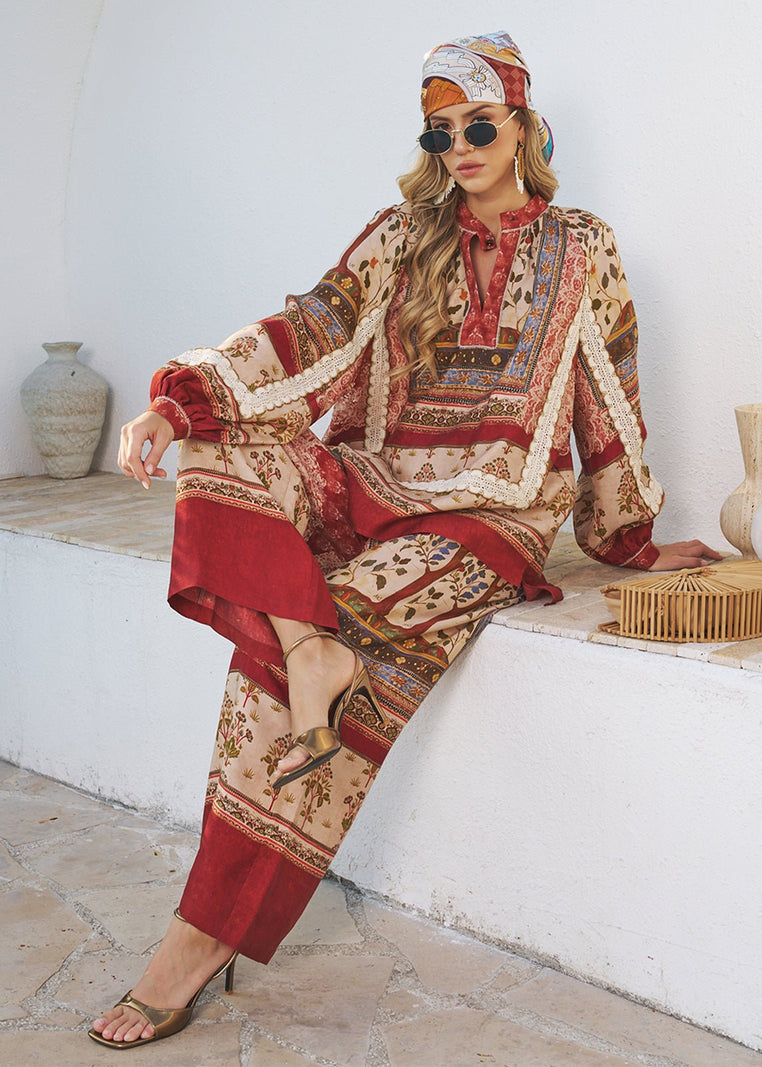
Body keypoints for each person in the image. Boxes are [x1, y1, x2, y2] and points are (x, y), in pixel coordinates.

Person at [91, 30, 720, 1049]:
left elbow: (609, 394)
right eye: (441, 129)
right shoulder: (398, 234)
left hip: (486, 516)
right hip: (369, 480)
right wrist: (176, 404)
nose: (459, 144)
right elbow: (308, 328)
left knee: (339, 621)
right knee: (213, 456)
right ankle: (309, 651)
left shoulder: (582, 247)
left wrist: (630, 538)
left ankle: (196, 936)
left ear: (521, 124)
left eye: (478, 124)